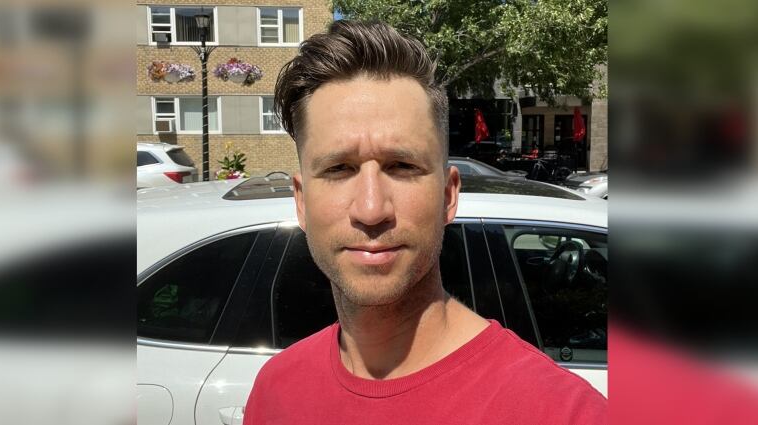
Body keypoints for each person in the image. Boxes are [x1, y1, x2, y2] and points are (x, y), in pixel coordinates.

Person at [243, 20, 606, 424]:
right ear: (301, 201)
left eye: (401, 166)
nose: (370, 208)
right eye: (339, 169)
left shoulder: (564, 412)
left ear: (449, 195)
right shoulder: (275, 389)